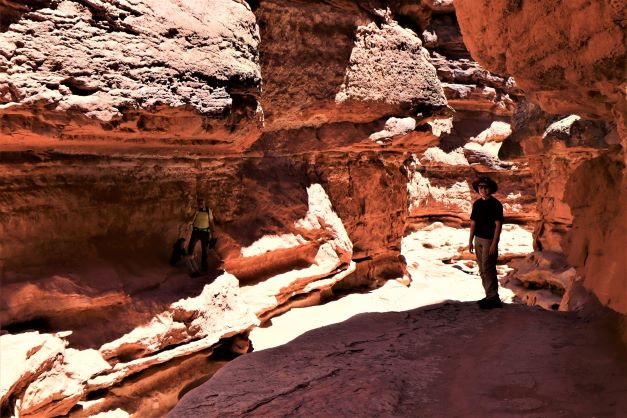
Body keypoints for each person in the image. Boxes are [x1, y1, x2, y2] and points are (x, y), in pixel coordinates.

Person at [469, 176, 504, 309]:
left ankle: (493, 298)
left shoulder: (496, 204)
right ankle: (489, 295)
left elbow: (498, 225)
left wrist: (495, 243)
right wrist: (470, 240)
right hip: (478, 238)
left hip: (489, 240)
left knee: (488, 268)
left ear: (490, 189)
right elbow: (473, 223)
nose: (482, 189)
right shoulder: (477, 204)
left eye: (485, 187)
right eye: (480, 187)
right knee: (482, 269)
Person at [187, 197, 215, 275]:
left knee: (205, 251)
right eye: (199, 203)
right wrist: (196, 212)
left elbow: (211, 221)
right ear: (197, 203)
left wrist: (213, 232)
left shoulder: (208, 211)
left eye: (202, 203)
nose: (200, 204)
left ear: (204, 203)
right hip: (196, 231)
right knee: (190, 248)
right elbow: (190, 221)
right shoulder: (195, 211)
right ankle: (191, 267)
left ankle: (204, 268)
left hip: (205, 233)